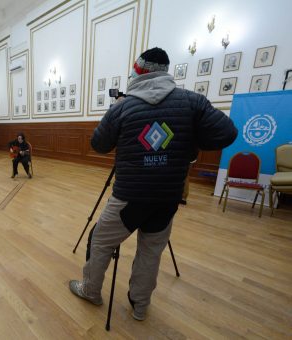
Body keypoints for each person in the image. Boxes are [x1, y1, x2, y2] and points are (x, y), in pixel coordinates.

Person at [69, 47, 238, 321]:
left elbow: (98, 144)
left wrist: (115, 115)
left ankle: (90, 290)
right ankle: (140, 305)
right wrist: (190, 142)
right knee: (150, 251)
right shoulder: (192, 102)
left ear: (138, 73)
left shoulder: (123, 107)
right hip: (167, 198)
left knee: (100, 241)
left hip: (129, 197)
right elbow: (227, 132)